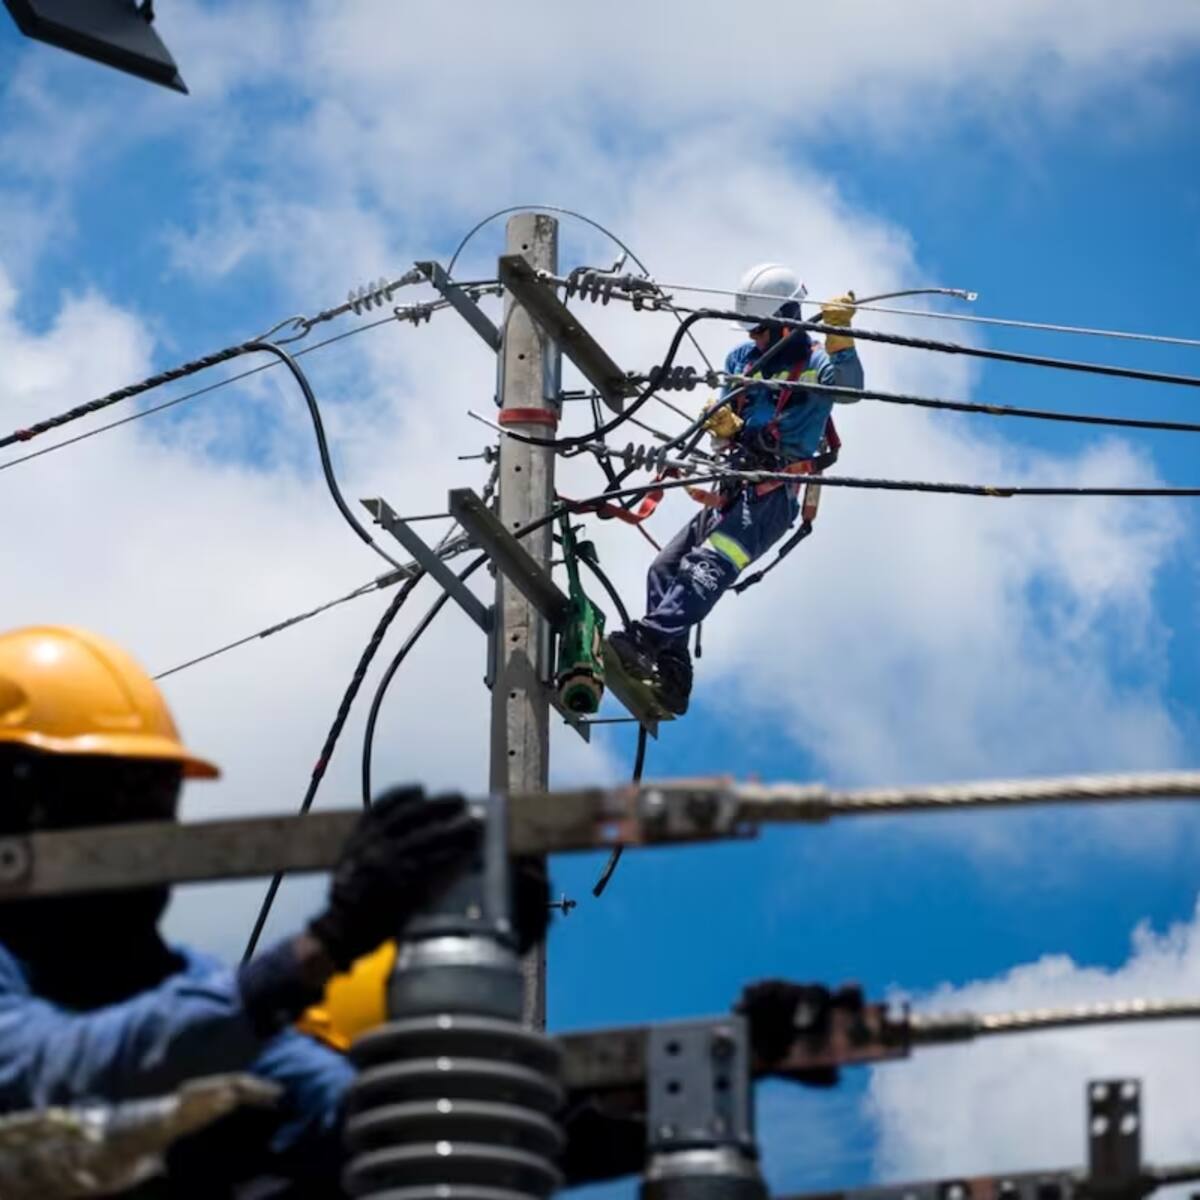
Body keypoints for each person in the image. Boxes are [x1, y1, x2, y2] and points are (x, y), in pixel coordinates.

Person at [0, 624, 495, 1198]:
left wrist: (571, 1126)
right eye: (105, 798)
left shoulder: (186, 987)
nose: (143, 829)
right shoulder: (214, 1012)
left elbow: (343, 1121)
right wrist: (325, 946)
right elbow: (44, 1075)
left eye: (155, 799)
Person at [607, 263, 864, 714]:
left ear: (788, 317)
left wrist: (842, 338)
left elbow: (850, 392)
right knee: (665, 569)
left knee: (707, 566)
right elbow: (725, 424)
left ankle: (645, 640)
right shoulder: (741, 360)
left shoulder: (819, 362)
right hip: (734, 484)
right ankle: (670, 676)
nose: (756, 339)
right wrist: (722, 427)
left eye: (762, 330)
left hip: (774, 493)